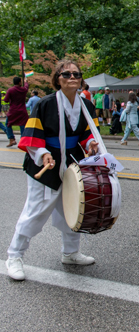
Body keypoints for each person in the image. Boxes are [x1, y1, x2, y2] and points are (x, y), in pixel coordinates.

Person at [5, 59, 99, 281]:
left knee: (72, 208)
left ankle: (71, 253)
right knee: (36, 210)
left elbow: (88, 133)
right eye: (66, 74)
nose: (72, 78)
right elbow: (31, 137)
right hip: (46, 163)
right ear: (58, 79)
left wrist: (90, 144)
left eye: (76, 74)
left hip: (73, 161)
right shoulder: (45, 104)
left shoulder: (87, 105)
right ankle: (14, 256)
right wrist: (42, 153)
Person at [3, 77, 30, 147]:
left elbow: (6, 100)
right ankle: (23, 141)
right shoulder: (23, 90)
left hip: (13, 110)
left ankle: (11, 139)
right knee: (22, 125)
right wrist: (26, 82)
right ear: (19, 82)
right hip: (22, 111)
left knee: (8, 124)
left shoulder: (10, 90)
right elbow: (26, 87)